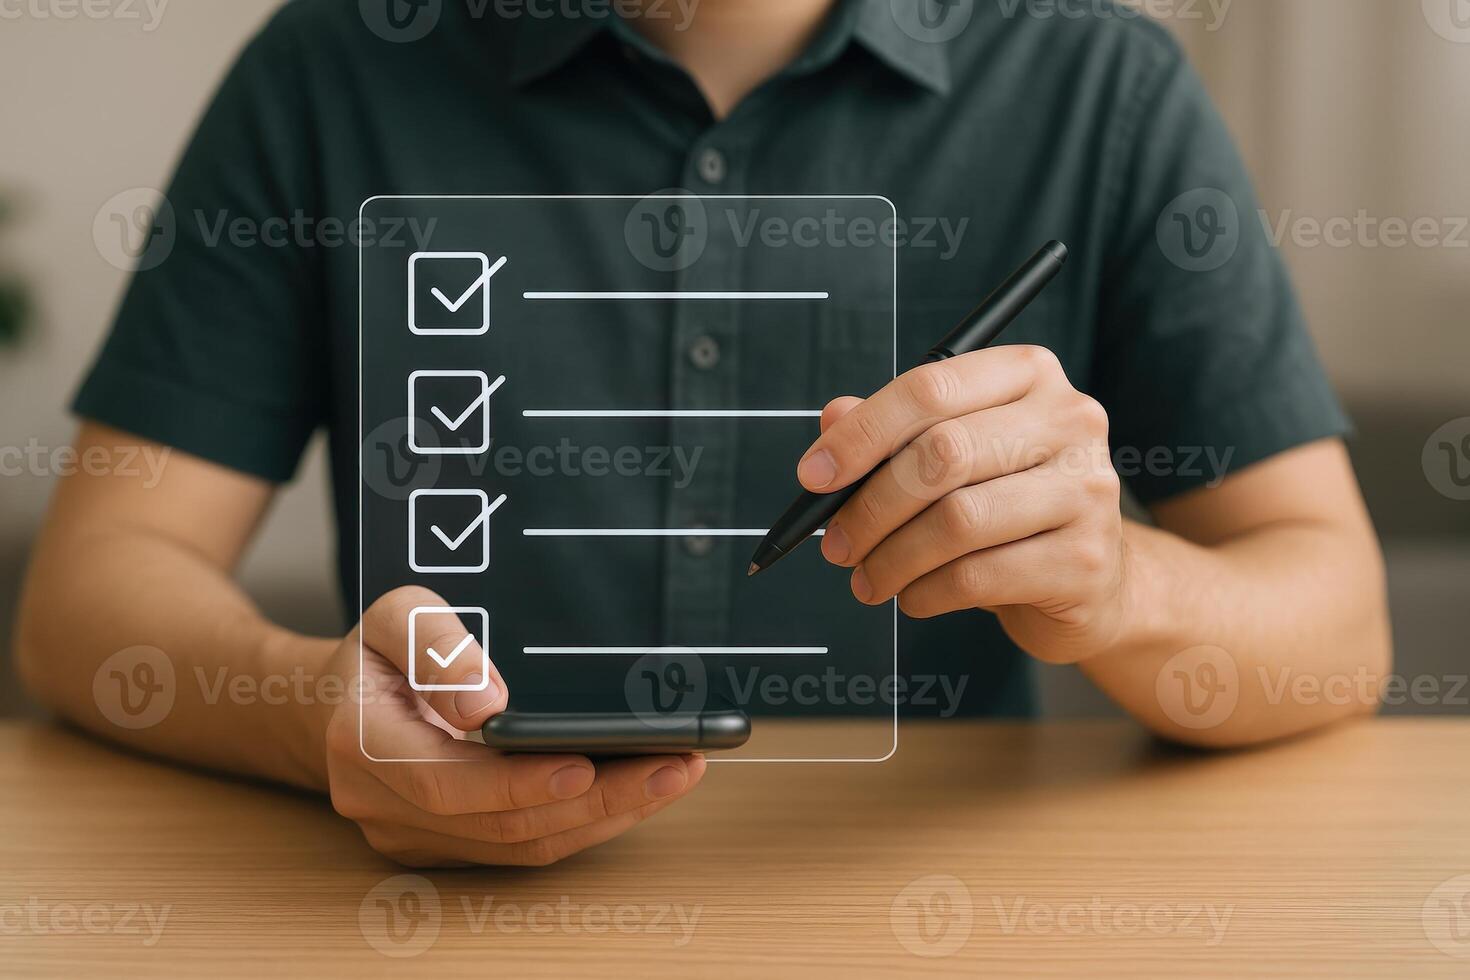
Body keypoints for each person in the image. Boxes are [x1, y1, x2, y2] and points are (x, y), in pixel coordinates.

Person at [14, 0, 1389, 867]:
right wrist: (308, 712)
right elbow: (86, 599)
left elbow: (1335, 631)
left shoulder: (1102, 83)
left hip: (924, 907)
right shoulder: (332, 63)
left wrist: (1120, 583)